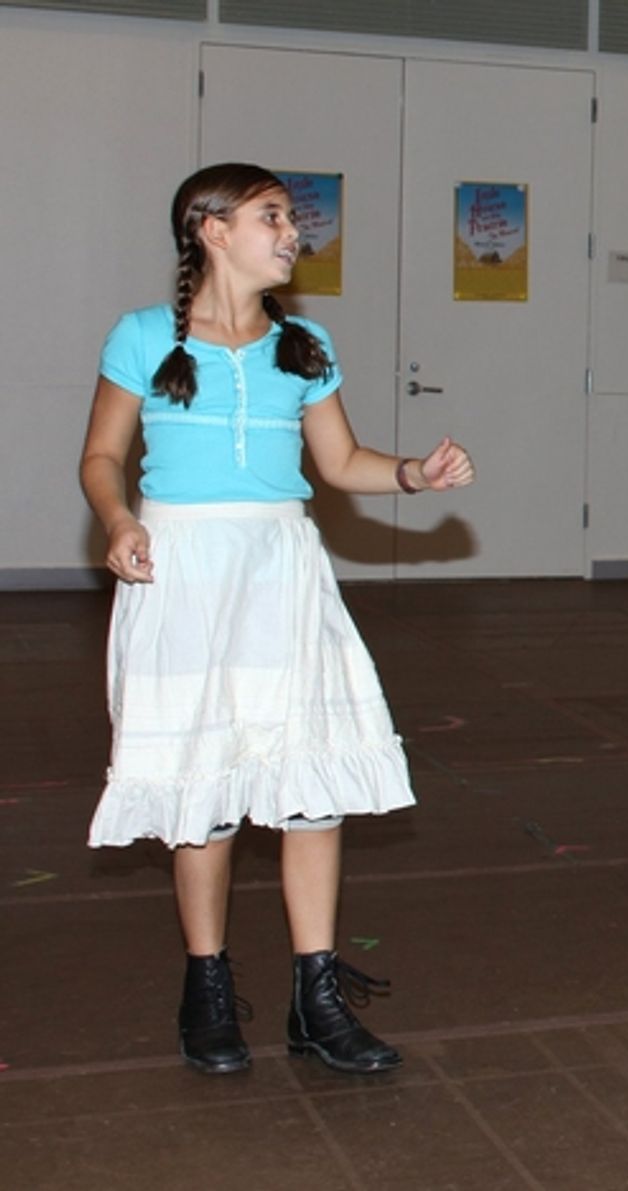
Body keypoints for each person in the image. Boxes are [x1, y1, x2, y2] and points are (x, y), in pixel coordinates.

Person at [79, 163, 476, 1077]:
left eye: (292, 218)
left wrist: (415, 473)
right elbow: (102, 455)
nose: (293, 232)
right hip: (182, 571)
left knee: (312, 785)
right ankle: (208, 986)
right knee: (202, 793)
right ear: (211, 229)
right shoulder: (142, 337)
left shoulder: (305, 342)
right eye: (272, 216)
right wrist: (120, 519)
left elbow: (339, 463)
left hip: (281, 571)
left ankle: (316, 994)